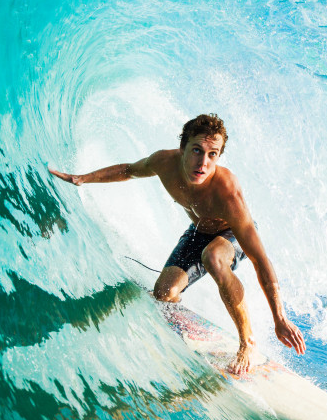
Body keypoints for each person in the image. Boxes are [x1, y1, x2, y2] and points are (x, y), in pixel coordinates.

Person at [49, 113, 305, 373]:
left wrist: (279, 318)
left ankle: (247, 342)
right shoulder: (164, 162)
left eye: (212, 154)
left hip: (230, 237)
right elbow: (128, 171)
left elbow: (260, 259)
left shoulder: (228, 193)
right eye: (197, 151)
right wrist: (82, 178)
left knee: (213, 257)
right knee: (164, 293)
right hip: (198, 232)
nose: (203, 163)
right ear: (183, 147)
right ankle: (182, 323)